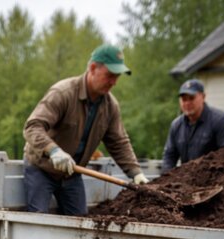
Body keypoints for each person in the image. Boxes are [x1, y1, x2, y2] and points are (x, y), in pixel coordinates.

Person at [22, 44, 148, 216]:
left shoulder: (110, 106)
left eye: (117, 77)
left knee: (81, 225)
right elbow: (32, 126)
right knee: (38, 219)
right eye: (110, 75)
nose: (114, 82)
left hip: (72, 173)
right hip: (42, 169)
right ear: (93, 68)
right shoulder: (63, 93)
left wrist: (136, 173)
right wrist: (53, 150)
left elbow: (119, 142)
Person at [162, 79, 224, 172]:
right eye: (184, 99)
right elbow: (169, 157)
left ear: (203, 96)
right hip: (185, 182)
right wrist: (167, 179)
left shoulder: (221, 121)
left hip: (215, 182)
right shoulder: (176, 125)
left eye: (191, 98)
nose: (187, 103)